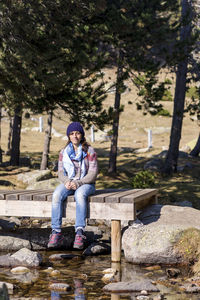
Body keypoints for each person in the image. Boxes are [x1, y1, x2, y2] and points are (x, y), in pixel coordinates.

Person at [47, 122, 98, 250]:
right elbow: (60, 172)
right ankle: (56, 231)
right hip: (69, 183)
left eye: (77, 133)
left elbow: (93, 173)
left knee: (79, 194)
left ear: (82, 135)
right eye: (72, 133)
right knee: (57, 194)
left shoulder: (90, 151)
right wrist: (66, 182)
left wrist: (78, 183)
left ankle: (80, 232)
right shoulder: (63, 152)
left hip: (86, 184)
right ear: (68, 136)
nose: (75, 136)